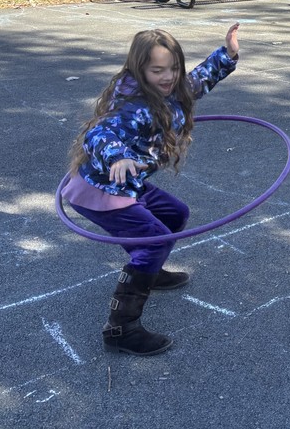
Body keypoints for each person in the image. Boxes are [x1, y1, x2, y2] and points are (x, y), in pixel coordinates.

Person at [62, 24, 241, 356]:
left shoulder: (172, 90)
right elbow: (100, 134)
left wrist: (227, 53)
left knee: (176, 214)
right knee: (154, 240)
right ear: (139, 69)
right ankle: (121, 328)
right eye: (157, 70)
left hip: (127, 184)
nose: (168, 76)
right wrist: (116, 157)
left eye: (173, 68)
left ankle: (149, 270)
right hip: (102, 190)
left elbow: (199, 79)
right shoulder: (131, 104)